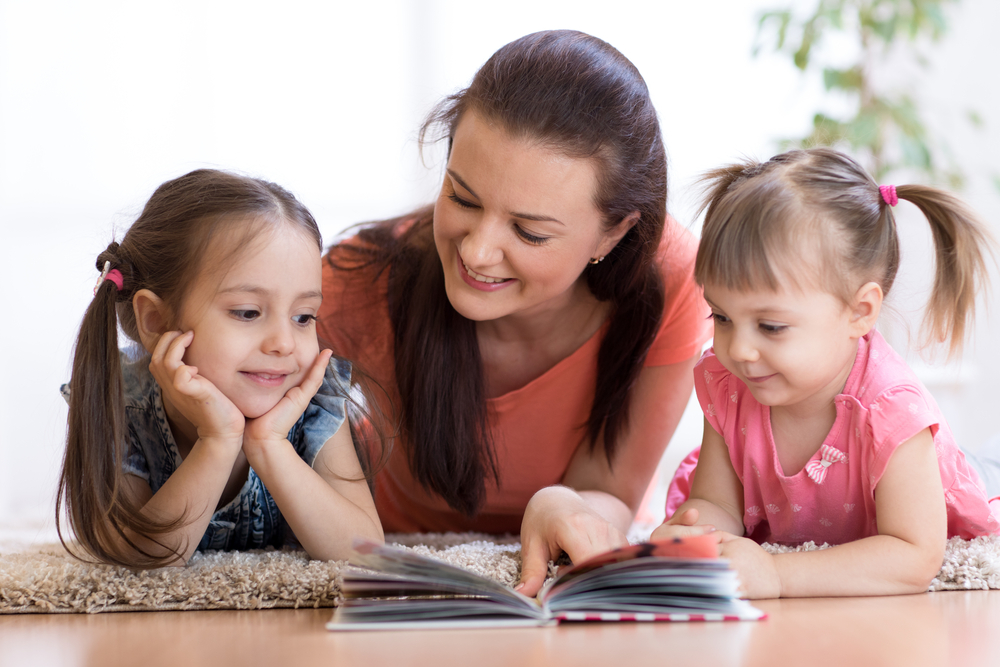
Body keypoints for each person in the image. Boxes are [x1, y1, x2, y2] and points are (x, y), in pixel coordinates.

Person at [319, 30, 711, 596]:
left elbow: (612, 492)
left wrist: (562, 507)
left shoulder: (670, 277)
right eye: (460, 198)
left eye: (529, 231)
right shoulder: (364, 281)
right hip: (405, 561)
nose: (476, 252)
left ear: (615, 231)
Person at [652, 147, 1000, 598]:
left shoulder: (891, 411)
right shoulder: (730, 384)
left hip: (961, 479)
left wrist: (778, 575)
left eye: (771, 326)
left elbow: (916, 554)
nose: (738, 349)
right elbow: (717, 502)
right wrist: (696, 539)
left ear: (860, 312)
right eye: (720, 317)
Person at [57, 169, 384, 568]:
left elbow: (367, 553)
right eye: (248, 312)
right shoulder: (119, 400)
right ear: (157, 321)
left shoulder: (315, 400)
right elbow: (137, 558)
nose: (283, 343)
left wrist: (270, 445)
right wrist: (218, 439)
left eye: (303, 317)